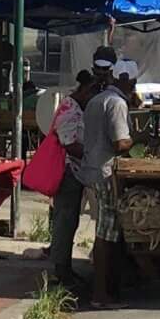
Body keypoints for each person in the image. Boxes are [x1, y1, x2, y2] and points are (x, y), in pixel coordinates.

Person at [76, 51, 135, 308]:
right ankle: (100, 294)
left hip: (90, 169)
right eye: (132, 84)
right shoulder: (117, 103)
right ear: (125, 80)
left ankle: (106, 287)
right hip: (105, 173)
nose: (133, 88)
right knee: (105, 234)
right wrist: (140, 139)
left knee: (106, 231)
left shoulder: (96, 99)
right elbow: (120, 143)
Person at [47, 60, 107, 294]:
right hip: (67, 172)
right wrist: (94, 153)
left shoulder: (81, 108)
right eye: (91, 91)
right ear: (83, 89)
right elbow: (70, 144)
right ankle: (61, 269)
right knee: (66, 220)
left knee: (72, 220)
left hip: (78, 171)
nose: (92, 96)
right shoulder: (69, 108)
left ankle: (66, 267)